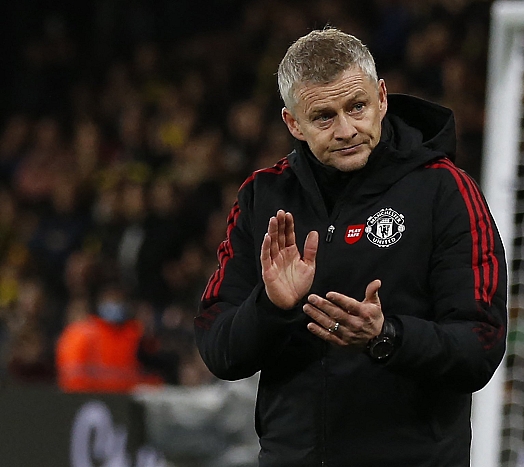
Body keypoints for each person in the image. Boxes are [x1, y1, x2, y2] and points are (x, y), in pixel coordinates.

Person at [194, 27, 507, 467]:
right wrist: (271, 308)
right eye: (323, 117)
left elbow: (481, 345)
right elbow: (218, 350)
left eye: (357, 107)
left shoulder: (445, 191)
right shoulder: (263, 197)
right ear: (293, 124)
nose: (346, 130)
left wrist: (386, 337)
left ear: (381, 98)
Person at [55, 281, 162, 393]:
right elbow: (72, 375)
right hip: (91, 395)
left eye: (119, 301)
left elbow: (151, 364)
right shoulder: (84, 333)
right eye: (111, 300)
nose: (115, 305)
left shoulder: (135, 332)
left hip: (126, 395)